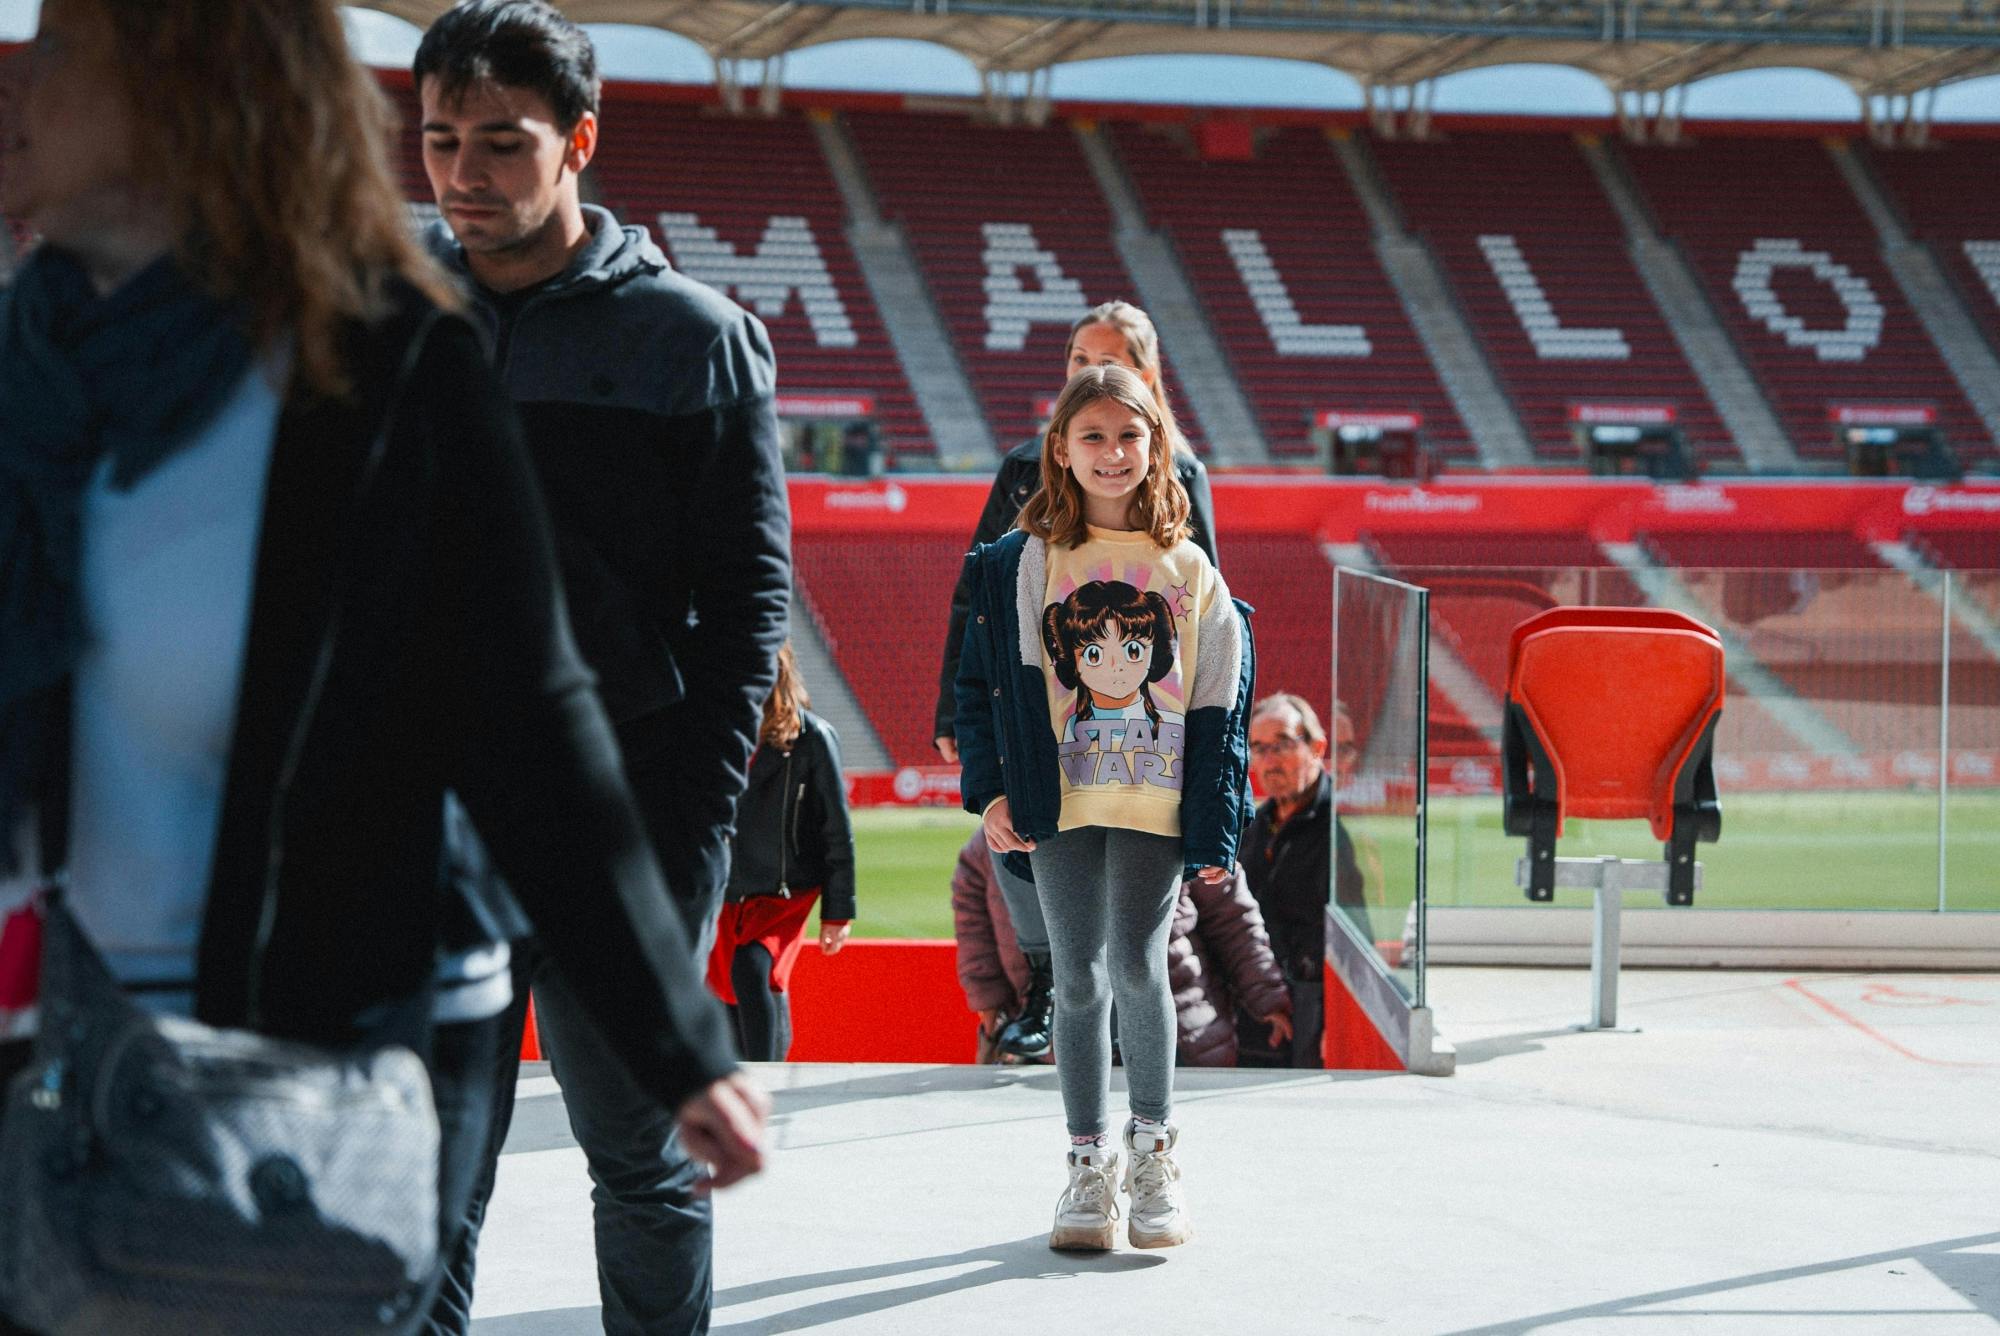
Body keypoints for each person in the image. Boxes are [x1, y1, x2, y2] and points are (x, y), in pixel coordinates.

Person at [0, 2, 764, 1332]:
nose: (22, 80)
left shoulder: (389, 358)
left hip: (313, 1044)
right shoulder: (28, 366)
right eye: (441, 141)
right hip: (48, 1047)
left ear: (196, 89)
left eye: (67, 48)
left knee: (585, 1194)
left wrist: (672, 1020)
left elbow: (530, 704)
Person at [411, 4, 791, 1331]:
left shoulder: (693, 339)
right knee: (425, 1174)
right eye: (441, 139)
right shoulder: (385, 312)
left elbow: (746, 618)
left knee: (639, 1157)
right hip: (423, 823)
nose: (463, 174)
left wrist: (684, 847)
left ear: (578, 141)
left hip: (618, 817)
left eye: (503, 144)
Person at [955, 364, 1252, 1253]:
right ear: (1061, 449)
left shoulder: (1190, 569)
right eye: (1094, 437)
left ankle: (1154, 1154)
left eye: (1130, 436)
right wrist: (992, 791)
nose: (1113, 453)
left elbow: (1219, 709)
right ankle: (1087, 1169)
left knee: (1138, 968)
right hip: (1059, 803)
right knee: (1076, 978)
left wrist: (1214, 822)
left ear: (1156, 447)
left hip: (1152, 806)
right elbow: (980, 689)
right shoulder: (1020, 562)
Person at [933, 300, 1219, 1062]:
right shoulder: (1023, 468)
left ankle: (1145, 1044)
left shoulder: (1182, 478)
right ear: (1064, 444)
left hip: (1147, 740)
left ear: (1149, 376)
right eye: (1078, 356)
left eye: (1114, 356)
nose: (1093, 369)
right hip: (1051, 727)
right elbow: (981, 604)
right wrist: (957, 716)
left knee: (1136, 941)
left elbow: (1210, 619)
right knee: (1016, 849)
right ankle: (1046, 987)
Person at [952, 829, 1291, 1068]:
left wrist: (1267, 995)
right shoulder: (996, 839)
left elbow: (1232, 918)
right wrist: (991, 1004)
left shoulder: (1170, 821)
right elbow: (974, 932)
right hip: (1057, 1047)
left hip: (1179, 1034)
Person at [710, 644, 856, 1062]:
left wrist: (838, 912)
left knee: (752, 969)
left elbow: (836, 830)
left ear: (778, 673)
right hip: (725, 889)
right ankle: (737, 1079)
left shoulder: (812, 738)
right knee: (724, 992)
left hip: (783, 891)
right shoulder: (715, 732)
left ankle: (763, 1078)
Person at [1236, 693, 1373, 1068]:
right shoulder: (1255, 825)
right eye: (1258, 748)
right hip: (1258, 1005)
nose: (1267, 761)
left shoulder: (1336, 829)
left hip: (1312, 1011)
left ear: (1317, 748)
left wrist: (1337, 1021)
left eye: (1281, 744)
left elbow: (1357, 935)